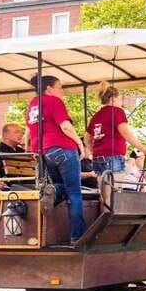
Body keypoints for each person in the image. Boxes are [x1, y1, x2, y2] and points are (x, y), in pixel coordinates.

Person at [26, 75, 86, 244]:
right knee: (75, 192)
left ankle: (52, 190)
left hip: (43, 152)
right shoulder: (54, 101)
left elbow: (28, 132)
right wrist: (79, 143)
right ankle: (77, 236)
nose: (62, 90)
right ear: (49, 88)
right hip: (63, 148)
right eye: (60, 87)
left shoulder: (32, 104)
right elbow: (65, 126)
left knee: (63, 187)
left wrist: (28, 149)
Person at [85, 81, 146, 198]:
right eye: (120, 99)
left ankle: (105, 213)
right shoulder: (117, 111)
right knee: (112, 192)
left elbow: (87, 138)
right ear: (113, 98)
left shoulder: (96, 115)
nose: (121, 102)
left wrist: (93, 151)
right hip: (113, 156)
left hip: (98, 158)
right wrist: (144, 149)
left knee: (104, 193)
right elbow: (126, 133)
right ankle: (108, 214)